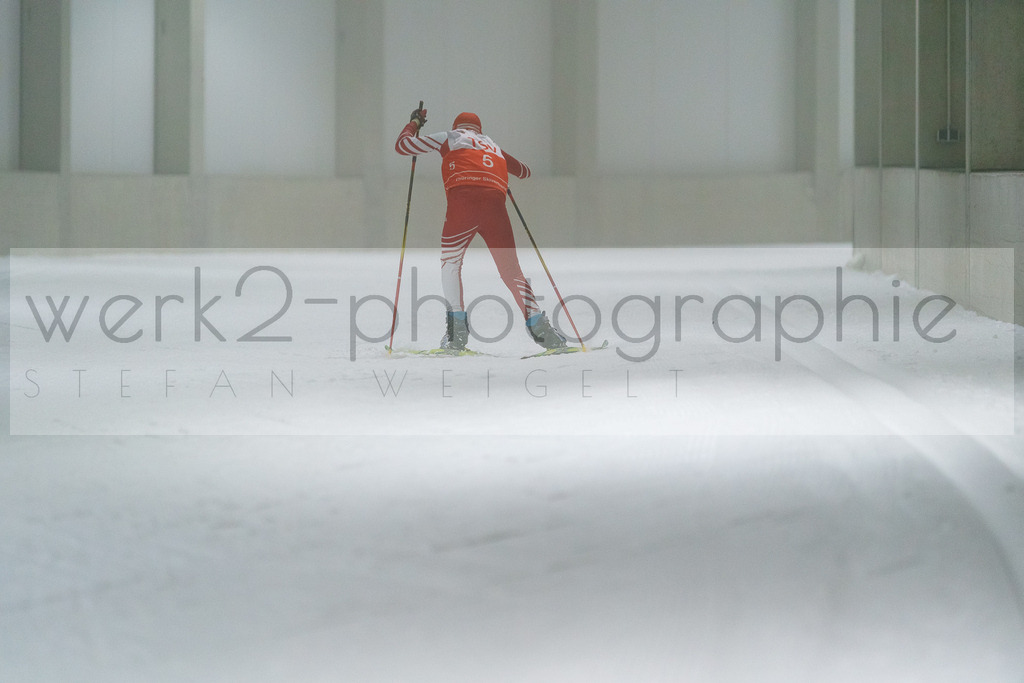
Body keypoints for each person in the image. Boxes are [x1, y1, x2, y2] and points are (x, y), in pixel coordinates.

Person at [395, 106, 566, 351]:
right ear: (480, 131)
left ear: (457, 127)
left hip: (462, 205)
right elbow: (525, 172)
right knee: (512, 272)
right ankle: (542, 331)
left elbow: (403, 146)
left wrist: (414, 123)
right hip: (495, 210)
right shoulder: (493, 146)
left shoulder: (449, 137)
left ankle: (457, 335)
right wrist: (498, 169)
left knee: (451, 264)